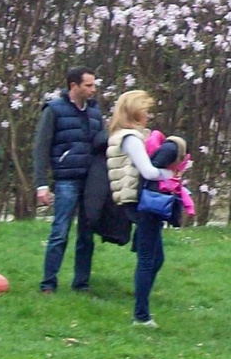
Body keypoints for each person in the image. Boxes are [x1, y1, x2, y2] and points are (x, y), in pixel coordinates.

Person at [105, 90, 178, 327]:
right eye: (145, 110)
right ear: (135, 112)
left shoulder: (126, 136)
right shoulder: (131, 138)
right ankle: (141, 315)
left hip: (139, 201)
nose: (148, 114)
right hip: (143, 201)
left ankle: (141, 304)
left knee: (156, 258)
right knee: (148, 259)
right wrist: (171, 174)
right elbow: (147, 171)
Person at [33, 66, 106, 294]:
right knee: (60, 232)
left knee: (87, 235)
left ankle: (81, 284)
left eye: (94, 85)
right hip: (66, 180)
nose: (93, 90)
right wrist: (41, 184)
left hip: (91, 182)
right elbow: (40, 147)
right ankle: (48, 283)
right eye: (88, 85)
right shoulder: (54, 110)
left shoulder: (95, 112)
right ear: (74, 86)